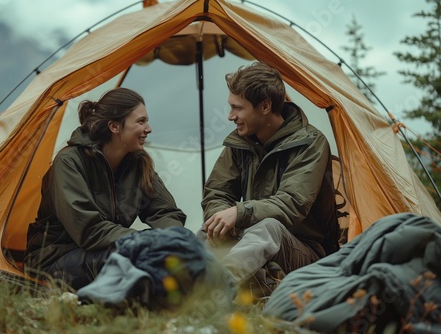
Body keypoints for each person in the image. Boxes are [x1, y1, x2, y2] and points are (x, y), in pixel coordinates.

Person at [24, 87, 186, 290]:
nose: (149, 128)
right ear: (115, 126)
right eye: (141, 121)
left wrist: (177, 240)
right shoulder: (69, 162)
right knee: (132, 259)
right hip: (54, 259)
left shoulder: (138, 164)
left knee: (172, 253)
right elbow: (89, 230)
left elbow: (164, 211)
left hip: (106, 251)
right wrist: (145, 241)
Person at [198, 62, 339, 294]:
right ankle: (179, 291)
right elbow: (216, 193)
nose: (230, 116)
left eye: (238, 108)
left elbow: (292, 203)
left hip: (305, 253)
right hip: (252, 240)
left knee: (269, 227)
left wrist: (239, 213)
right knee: (209, 229)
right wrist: (221, 218)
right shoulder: (240, 143)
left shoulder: (310, 142)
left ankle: (215, 293)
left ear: (264, 106)